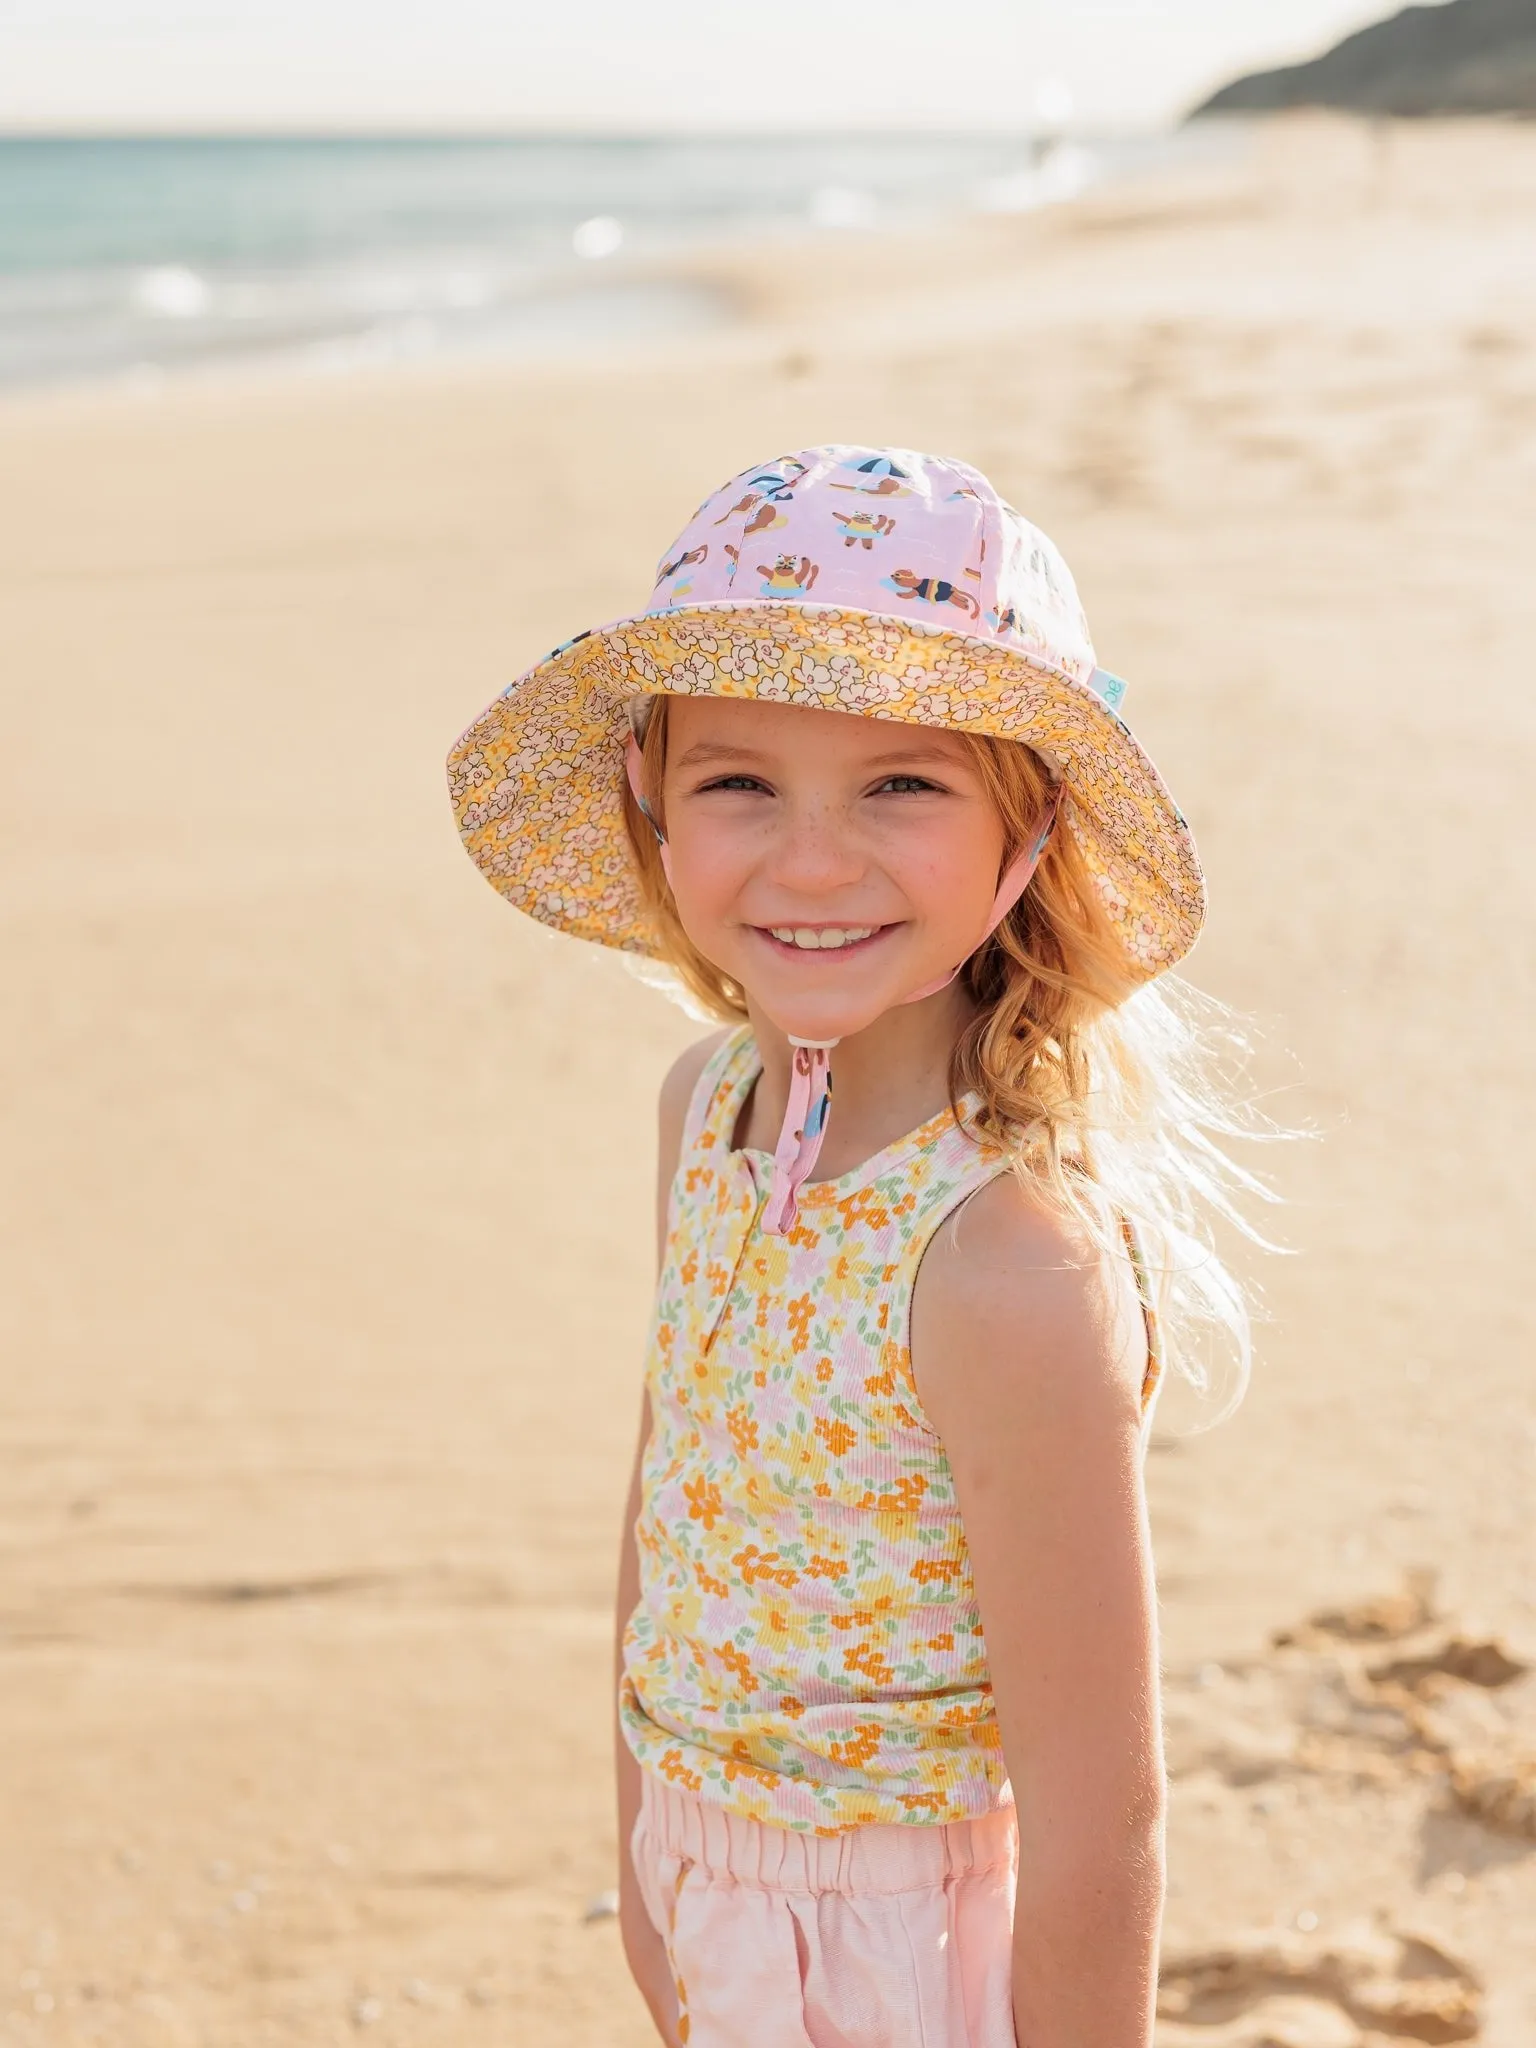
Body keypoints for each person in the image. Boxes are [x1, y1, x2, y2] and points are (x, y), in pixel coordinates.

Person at [447, 446, 1263, 2048]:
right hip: (709, 1901)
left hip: (910, 1956)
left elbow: (1104, 1819)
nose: (811, 862)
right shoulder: (705, 1108)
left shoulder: (1002, 1262)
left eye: (902, 783)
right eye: (740, 782)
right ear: (651, 805)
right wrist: (647, 1865)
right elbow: (662, 1497)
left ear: (1028, 827)